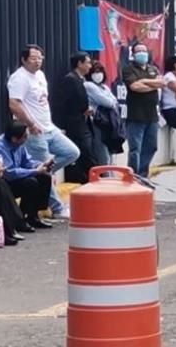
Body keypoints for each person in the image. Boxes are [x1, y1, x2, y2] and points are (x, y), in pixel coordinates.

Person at [7, 44, 79, 219]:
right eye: (33, 58)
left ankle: (44, 172)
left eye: (40, 58)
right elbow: (14, 104)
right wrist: (30, 124)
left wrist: (51, 124)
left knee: (72, 152)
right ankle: (57, 208)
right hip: (34, 131)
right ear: (24, 59)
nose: (37, 62)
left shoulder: (40, 75)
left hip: (49, 127)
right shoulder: (19, 78)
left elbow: (42, 102)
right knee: (45, 169)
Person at [0, 122, 54, 230]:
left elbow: (27, 162)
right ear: (15, 138)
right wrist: (35, 171)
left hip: (13, 179)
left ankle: (33, 215)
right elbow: (9, 173)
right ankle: (20, 218)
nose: (27, 139)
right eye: (25, 137)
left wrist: (40, 165)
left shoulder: (19, 145)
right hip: (0, 182)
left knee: (45, 177)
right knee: (30, 182)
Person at [121, 42, 165, 177]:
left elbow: (162, 83)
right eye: (138, 51)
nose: (142, 53)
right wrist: (153, 84)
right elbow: (135, 87)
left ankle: (142, 174)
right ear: (133, 54)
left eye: (144, 51)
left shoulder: (153, 69)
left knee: (151, 147)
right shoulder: (128, 69)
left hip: (152, 115)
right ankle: (133, 175)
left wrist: (144, 82)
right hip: (136, 115)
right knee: (135, 148)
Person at [54, 51, 96, 183]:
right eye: (88, 63)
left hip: (83, 122)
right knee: (84, 153)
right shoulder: (70, 79)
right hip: (75, 124)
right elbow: (65, 103)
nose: (90, 66)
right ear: (79, 63)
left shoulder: (81, 80)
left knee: (87, 152)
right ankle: (90, 179)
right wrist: (81, 111)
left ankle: (88, 178)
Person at [84, 61, 122, 165]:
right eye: (95, 72)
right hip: (98, 122)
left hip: (109, 123)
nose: (98, 74)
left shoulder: (104, 87)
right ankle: (105, 177)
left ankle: (110, 176)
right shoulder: (88, 85)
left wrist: (111, 102)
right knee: (102, 153)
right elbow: (108, 102)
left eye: (100, 71)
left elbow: (115, 101)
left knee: (110, 153)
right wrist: (111, 102)